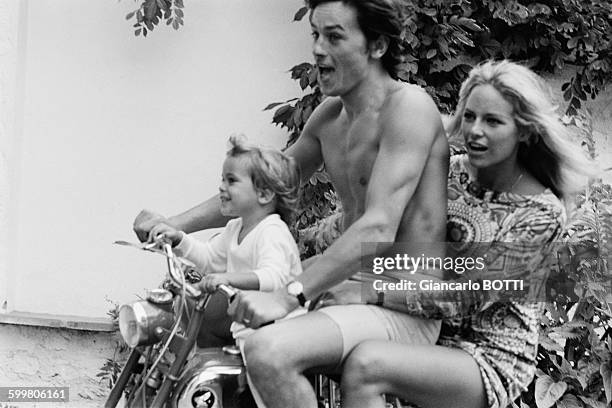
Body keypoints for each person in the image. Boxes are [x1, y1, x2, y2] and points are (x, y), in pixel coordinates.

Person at [134, 0, 449, 406]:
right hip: (344, 292)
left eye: (334, 36)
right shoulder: (329, 118)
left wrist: (289, 294)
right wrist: (175, 225)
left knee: (269, 352)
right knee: (205, 314)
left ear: (378, 46)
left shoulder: (408, 109)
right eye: (315, 34)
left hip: (403, 300)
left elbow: (379, 227)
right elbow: (259, 187)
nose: (318, 49)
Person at [331, 60, 598, 408]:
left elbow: (464, 297)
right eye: (469, 116)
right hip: (419, 327)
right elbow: (381, 221)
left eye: (492, 121)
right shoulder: (449, 170)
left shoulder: (541, 213)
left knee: (366, 365)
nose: (474, 130)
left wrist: (367, 290)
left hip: (487, 357)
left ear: (525, 131)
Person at [149, 135, 302, 346]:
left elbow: (274, 277)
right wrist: (179, 241)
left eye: (231, 180)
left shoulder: (272, 231)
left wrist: (228, 278)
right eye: (222, 179)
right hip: (248, 332)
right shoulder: (235, 228)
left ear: (264, 195)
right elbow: (209, 258)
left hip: (278, 336)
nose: (221, 187)